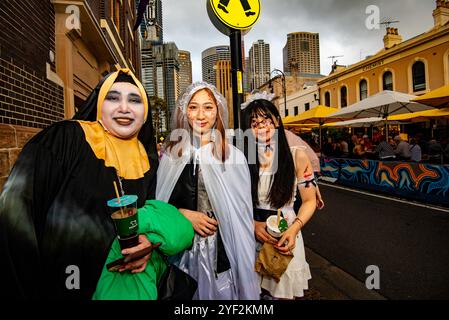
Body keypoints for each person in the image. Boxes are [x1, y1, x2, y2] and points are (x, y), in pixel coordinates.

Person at [0, 68, 193, 300]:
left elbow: (151, 218)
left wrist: (146, 246)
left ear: (144, 114)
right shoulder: (65, 139)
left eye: (135, 100)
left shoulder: (149, 162)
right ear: (99, 105)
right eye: (113, 98)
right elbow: (15, 215)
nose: (124, 108)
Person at [155, 82, 259, 300]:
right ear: (184, 111)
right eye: (193, 107)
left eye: (208, 107)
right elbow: (159, 205)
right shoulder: (173, 155)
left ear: (218, 111)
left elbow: (240, 215)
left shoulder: (233, 157)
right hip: (182, 252)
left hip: (220, 252)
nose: (200, 115)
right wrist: (182, 214)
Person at [241, 96, 317, 300]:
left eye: (266, 120)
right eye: (254, 123)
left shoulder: (297, 156)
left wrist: (294, 229)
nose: (261, 127)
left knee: (283, 293)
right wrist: (251, 225)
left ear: (276, 121)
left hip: (285, 236)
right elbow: (235, 202)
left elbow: (309, 200)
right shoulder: (242, 159)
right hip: (251, 238)